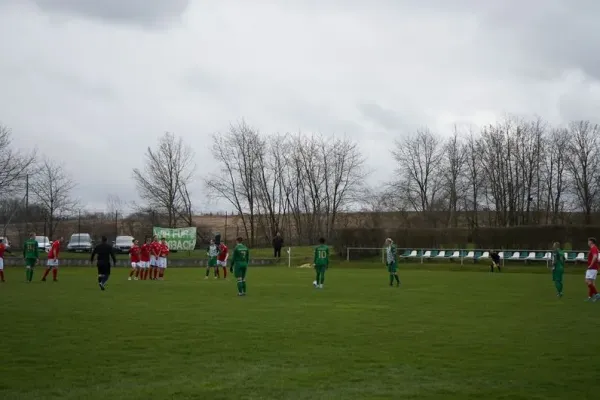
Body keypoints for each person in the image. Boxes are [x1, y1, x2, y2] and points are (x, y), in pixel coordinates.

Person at [585, 237, 599, 302]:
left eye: (588, 241)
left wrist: (590, 265)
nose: (588, 243)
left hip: (592, 268)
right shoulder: (593, 248)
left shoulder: (593, 248)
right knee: (591, 283)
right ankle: (590, 297)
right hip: (592, 268)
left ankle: (597, 294)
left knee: (587, 281)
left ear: (591, 242)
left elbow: (595, 257)